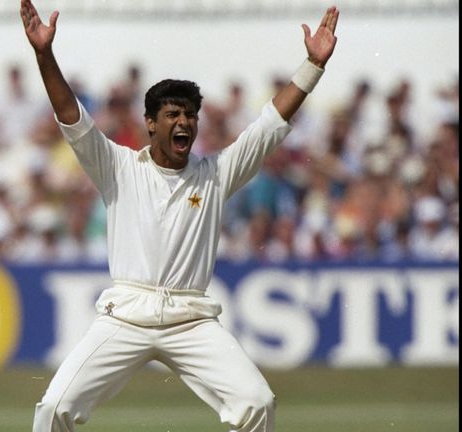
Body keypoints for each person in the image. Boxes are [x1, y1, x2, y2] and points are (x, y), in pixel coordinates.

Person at [20, 1, 339, 431]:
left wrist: (312, 66)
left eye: (189, 114)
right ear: (151, 124)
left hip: (191, 320)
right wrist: (44, 54)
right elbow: (72, 118)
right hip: (125, 315)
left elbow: (268, 125)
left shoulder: (215, 173)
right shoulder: (118, 167)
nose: (183, 121)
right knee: (55, 406)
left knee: (258, 402)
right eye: (172, 114)